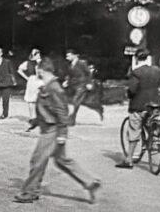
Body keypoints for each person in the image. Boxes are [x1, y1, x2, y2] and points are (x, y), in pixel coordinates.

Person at [13, 58, 101, 203]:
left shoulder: (54, 88)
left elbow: (62, 112)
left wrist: (62, 135)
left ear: (41, 70)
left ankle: (29, 192)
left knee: (38, 160)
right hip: (49, 128)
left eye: (37, 69)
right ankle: (90, 183)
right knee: (61, 161)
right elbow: (49, 109)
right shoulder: (48, 86)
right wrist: (35, 122)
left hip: (52, 131)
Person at [115, 49, 160, 168]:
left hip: (139, 106)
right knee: (154, 130)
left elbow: (132, 90)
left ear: (136, 59)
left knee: (133, 130)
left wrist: (129, 95)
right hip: (155, 105)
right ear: (148, 58)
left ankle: (129, 160)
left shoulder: (136, 72)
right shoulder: (156, 70)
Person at [63, 49, 102, 125]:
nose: (67, 57)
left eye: (69, 55)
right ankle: (98, 108)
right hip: (73, 85)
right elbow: (69, 75)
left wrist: (89, 83)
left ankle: (71, 120)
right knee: (81, 102)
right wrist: (66, 82)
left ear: (74, 55)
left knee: (75, 100)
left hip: (82, 85)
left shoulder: (82, 63)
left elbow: (88, 73)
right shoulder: (70, 65)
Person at [17, 48, 42, 123]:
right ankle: (32, 117)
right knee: (31, 100)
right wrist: (27, 78)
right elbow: (19, 70)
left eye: (36, 54)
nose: (34, 56)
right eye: (33, 54)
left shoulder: (43, 63)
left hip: (40, 81)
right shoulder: (28, 63)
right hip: (32, 81)